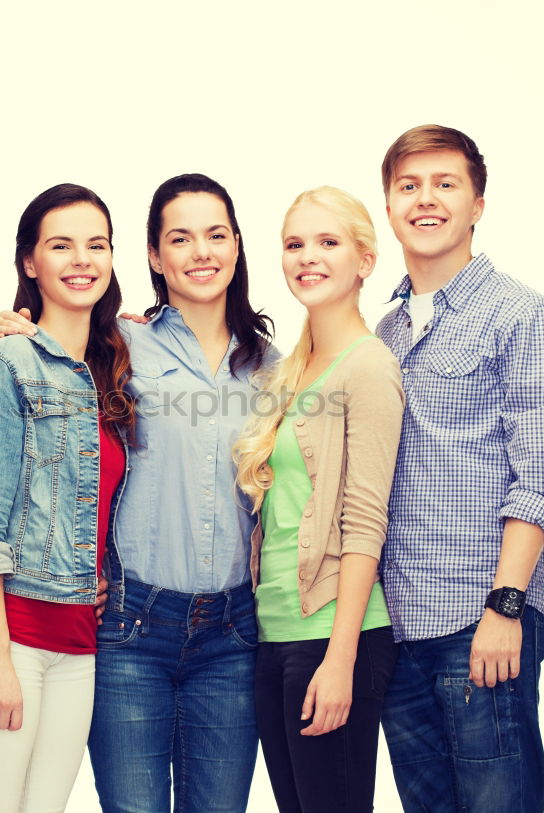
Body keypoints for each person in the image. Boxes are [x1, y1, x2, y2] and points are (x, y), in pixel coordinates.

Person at [0, 173, 278, 813]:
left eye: (216, 235)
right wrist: (14, 331)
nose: (201, 252)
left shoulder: (274, 369)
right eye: (180, 238)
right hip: (130, 628)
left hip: (233, 637)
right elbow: (48, 426)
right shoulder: (115, 345)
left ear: (236, 246)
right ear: (154, 256)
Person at [375, 125, 544, 813]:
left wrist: (506, 606)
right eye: (408, 186)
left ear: (477, 204)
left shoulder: (522, 316)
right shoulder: (387, 332)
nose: (425, 200)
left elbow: (539, 479)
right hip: (400, 631)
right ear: (389, 203)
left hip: (479, 618)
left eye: (444, 184)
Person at [0, 184, 134, 813]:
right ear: (31, 262)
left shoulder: (107, 371)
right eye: (61, 246)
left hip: (78, 642)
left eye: (96, 245)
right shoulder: (7, 364)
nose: (82, 260)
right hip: (8, 637)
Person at [233, 187, 403, 812]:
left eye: (328, 242)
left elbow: (365, 522)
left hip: (332, 636)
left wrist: (341, 658)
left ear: (364, 260)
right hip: (274, 632)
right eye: (295, 244)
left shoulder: (369, 367)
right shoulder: (289, 371)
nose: (308, 257)